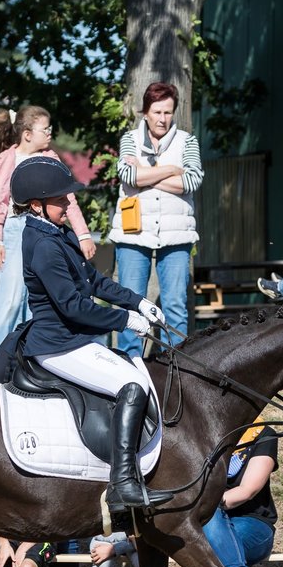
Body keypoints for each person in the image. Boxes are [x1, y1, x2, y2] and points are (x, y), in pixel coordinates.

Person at [11, 155, 171, 514]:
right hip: (57, 345)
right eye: (61, 200)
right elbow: (73, 307)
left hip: (74, 339)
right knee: (133, 386)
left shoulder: (56, 233)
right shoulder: (42, 245)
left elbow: (94, 281)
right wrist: (126, 321)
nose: (69, 204)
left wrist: (139, 302)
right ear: (36, 205)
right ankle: (123, 483)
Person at [0, 105, 96, 380]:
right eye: (46, 129)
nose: (50, 133)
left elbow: (68, 201)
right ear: (28, 134)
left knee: (39, 296)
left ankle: (33, 359)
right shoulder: (8, 159)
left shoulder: (50, 159)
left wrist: (83, 234)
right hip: (13, 230)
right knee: (9, 297)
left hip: (42, 231)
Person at [108, 81, 204, 359]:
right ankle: (130, 362)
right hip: (133, 232)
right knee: (131, 301)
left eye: (168, 112)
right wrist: (171, 170)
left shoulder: (188, 141)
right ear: (145, 112)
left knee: (175, 304)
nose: (162, 119)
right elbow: (127, 176)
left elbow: (192, 180)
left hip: (176, 234)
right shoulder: (129, 139)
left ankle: (175, 363)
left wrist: (147, 176)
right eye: (157, 112)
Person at [201, 419, 279, 567]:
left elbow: (247, 490)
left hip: (254, 524)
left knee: (213, 549)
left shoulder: (262, 434)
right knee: (213, 538)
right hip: (211, 524)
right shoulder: (203, 432)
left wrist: (205, 504)